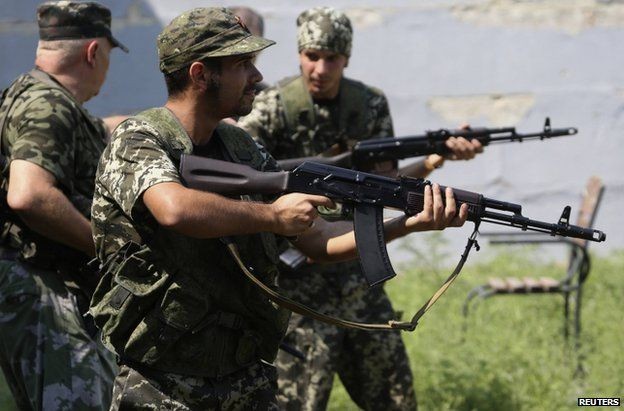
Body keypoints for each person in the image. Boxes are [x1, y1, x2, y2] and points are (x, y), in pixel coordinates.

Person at [87, 7, 468, 410]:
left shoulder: (242, 148)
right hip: (163, 382)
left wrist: (406, 223)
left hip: (244, 376)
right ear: (201, 74)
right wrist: (272, 216)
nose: (257, 77)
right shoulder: (140, 136)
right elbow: (174, 209)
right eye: (243, 64)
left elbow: (320, 242)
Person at [237, 7, 483, 411]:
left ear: (346, 58)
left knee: (395, 399)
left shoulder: (368, 105)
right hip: (296, 287)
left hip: (357, 277)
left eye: (331, 57)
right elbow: (240, 180)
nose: (320, 67)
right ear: (299, 54)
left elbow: (384, 186)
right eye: (312, 55)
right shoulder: (271, 107)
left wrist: (435, 158)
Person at [0, 1, 128, 410]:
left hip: (38, 286)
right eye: (108, 54)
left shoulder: (31, 93)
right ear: (93, 52)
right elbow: (29, 194)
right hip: (42, 290)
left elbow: (91, 131)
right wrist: (106, 248)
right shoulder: (49, 106)